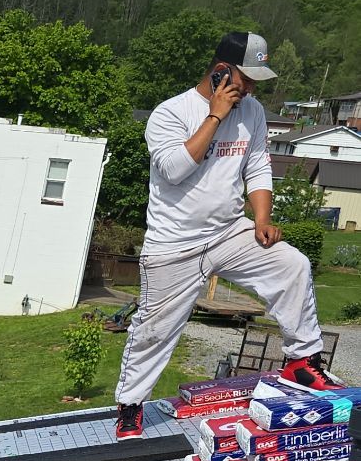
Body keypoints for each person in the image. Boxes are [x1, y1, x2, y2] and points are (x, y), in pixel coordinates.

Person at [114, 30, 333, 437]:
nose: (250, 89)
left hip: (229, 233)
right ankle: (130, 405)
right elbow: (174, 170)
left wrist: (263, 219)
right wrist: (215, 115)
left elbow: (258, 166)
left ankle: (301, 361)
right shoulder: (170, 113)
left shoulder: (253, 112)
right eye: (245, 79)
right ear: (220, 71)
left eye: (255, 81)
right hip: (174, 243)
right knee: (153, 330)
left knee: (292, 265)